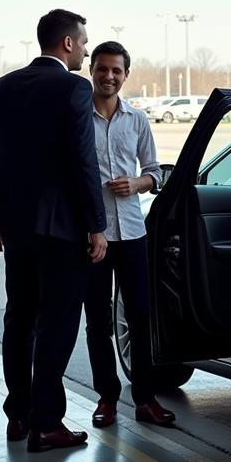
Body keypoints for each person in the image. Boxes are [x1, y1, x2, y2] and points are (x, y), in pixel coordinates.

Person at [0, 9, 108, 453]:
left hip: (14, 227)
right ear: (67, 43)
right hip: (63, 228)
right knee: (59, 321)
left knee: (20, 316)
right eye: (84, 42)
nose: (86, 50)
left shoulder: (0, 87)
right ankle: (47, 424)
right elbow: (83, 163)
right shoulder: (73, 88)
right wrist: (96, 225)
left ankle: (20, 415)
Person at [84, 41, 175, 429]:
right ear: (92, 69)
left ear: (125, 75)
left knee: (140, 318)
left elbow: (155, 172)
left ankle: (145, 399)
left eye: (116, 71)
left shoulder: (137, 120)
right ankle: (106, 398)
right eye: (102, 68)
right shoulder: (78, 119)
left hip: (133, 232)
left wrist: (138, 182)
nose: (109, 76)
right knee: (98, 322)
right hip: (93, 236)